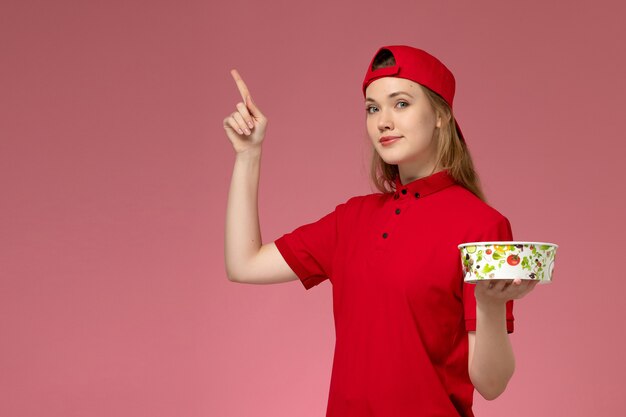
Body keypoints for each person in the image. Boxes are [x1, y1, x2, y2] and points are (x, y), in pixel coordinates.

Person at [223, 45, 539, 417]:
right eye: (372, 108)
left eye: (400, 103)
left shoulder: (483, 225)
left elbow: (492, 384)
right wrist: (248, 156)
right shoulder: (352, 220)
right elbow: (244, 264)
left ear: (441, 115)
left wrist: (489, 305)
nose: (383, 121)